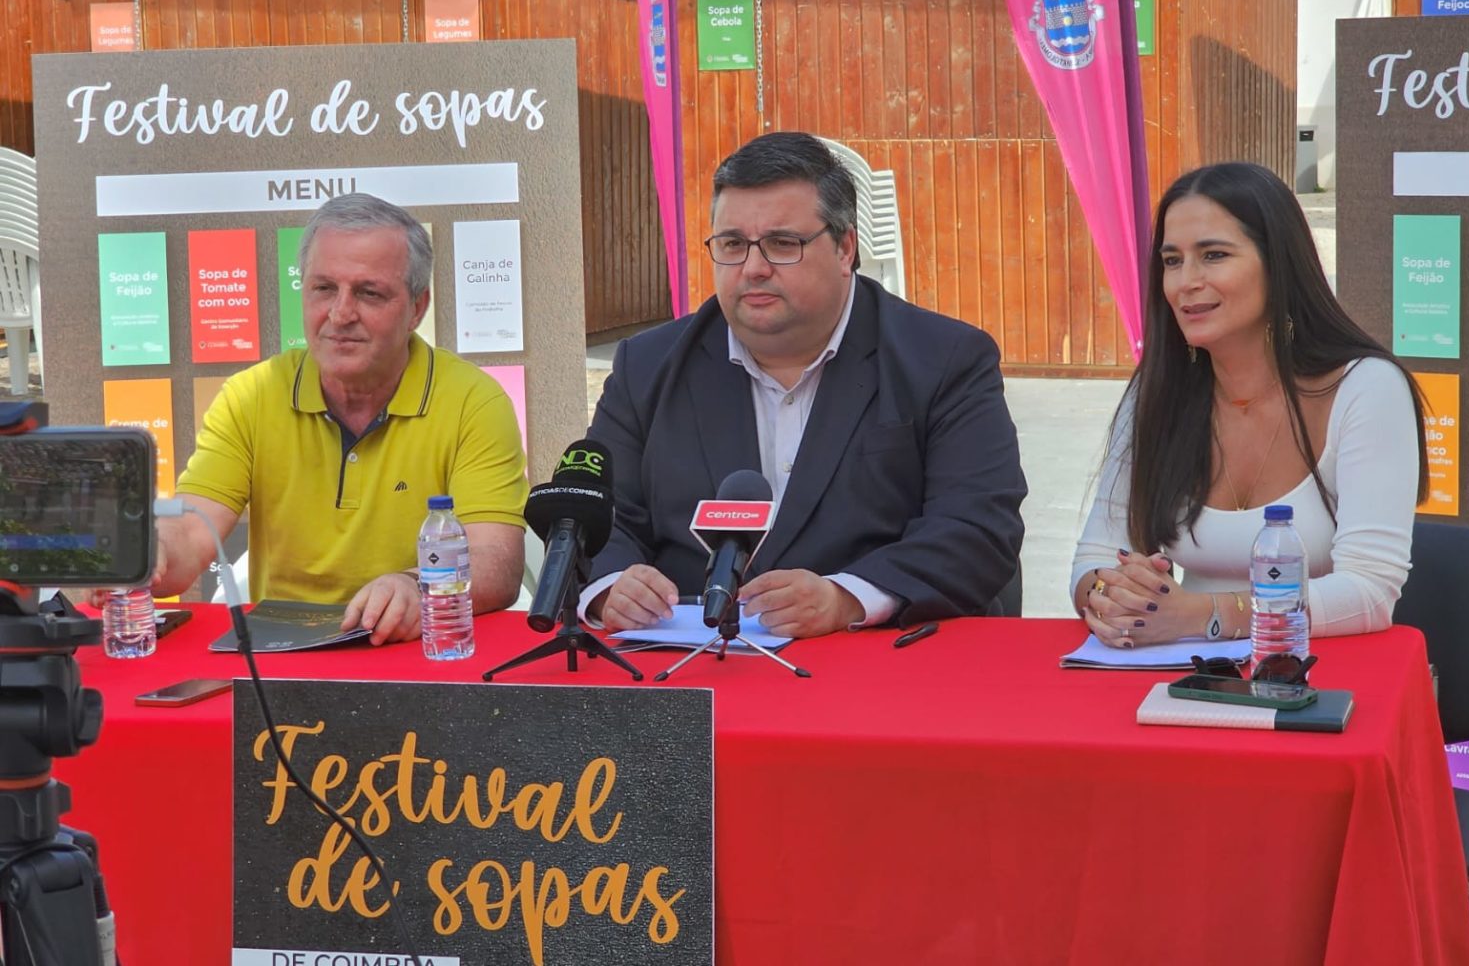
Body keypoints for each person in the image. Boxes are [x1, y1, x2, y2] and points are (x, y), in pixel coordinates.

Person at [583, 131, 1026, 638]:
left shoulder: (945, 360)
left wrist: (846, 598)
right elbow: (596, 518)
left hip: (875, 655)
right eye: (732, 245)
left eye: (782, 244)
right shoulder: (648, 365)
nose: (753, 268)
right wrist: (612, 586)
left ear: (845, 248)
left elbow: (977, 530)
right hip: (693, 656)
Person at [1071, 162, 1428, 648]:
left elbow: (1370, 591)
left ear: (1278, 264)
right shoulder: (1156, 390)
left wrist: (1203, 615)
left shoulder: (1366, 387)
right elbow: (1095, 556)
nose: (1186, 281)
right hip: (1178, 672)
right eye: (1172, 261)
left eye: (1213, 255)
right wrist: (1112, 595)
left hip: (1321, 670)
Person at [150, 193, 529, 643]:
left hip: (416, 653)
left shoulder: (473, 401)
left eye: (369, 293)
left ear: (417, 307)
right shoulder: (251, 396)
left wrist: (416, 587)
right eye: (324, 288)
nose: (341, 314)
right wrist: (147, 556)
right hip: (284, 656)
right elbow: (192, 530)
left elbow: (496, 561)